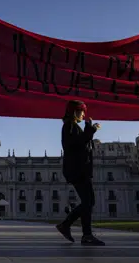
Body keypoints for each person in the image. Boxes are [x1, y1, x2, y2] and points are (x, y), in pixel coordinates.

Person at [56, 100, 105, 246]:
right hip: (77, 170)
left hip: (80, 169)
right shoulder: (69, 126)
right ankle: (84, 234)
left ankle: (71, 227)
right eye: (82, 111)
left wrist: (88, 128)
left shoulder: (74, 127)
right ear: (74, 112)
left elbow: (82, 144)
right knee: (88, 202)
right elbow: (75, 144)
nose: (84, 114)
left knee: (89, 202)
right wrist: (91, 130)